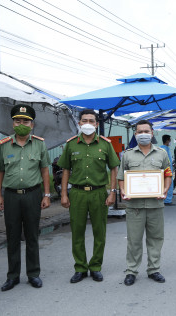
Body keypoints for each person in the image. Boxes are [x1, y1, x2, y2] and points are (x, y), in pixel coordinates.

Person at [0, 105, 51, 291]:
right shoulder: (3, 145)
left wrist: (47, 194)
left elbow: (44, 171)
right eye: (18, 121)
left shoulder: (39, 144)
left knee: (32, 235)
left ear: (32, 125)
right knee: (12, 236)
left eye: (26, 121)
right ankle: (13, 276)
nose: (22, 124)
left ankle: (33, 274)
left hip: (32, 195)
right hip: (11, 197)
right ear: (13, 123)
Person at [57, 109, 120, 283]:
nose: (88, 124)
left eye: (91, 121)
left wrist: (112, 192)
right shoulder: (71, 144)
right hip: (77, 193)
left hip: (99, 193)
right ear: (79, 123)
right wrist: (64, 194)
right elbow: (66, 170)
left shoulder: (105, 144)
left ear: (96, 124)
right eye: (84, 120)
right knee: (77, 232)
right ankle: (80, 267)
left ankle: (95, 266)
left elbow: (114, 168)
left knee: (100, 232)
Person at [118, 120, 172, 286]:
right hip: (134, 206)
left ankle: (154, 269)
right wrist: (123, 191)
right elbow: (121, 177)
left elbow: (168, 174)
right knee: (134, 240)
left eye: (146, 131)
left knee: (155, 238)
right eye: (140, 132)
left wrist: (164, 189)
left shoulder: (162, 153)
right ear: (135, 134)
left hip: (155, 205)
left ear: (152, 133)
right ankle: (131, 271)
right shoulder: (127, 155)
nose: (143, 134)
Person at [160, 134, 175, 206]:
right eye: (170, 140)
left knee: (166, 184)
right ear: (167, 140)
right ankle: (167, 200)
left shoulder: (165, 148)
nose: (170, 142)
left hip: (168, 170)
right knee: (168, 184)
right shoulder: (164, 149)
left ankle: (166, 199)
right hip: (167, 170)